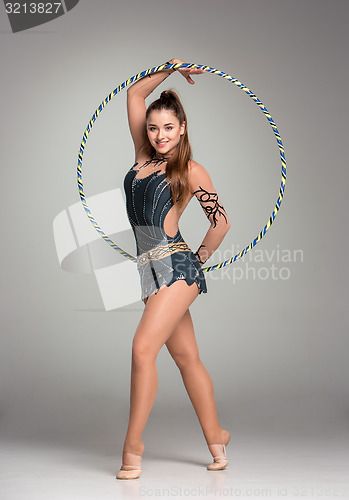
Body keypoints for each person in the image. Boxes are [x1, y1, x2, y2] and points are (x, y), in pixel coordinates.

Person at [116, 58, 232, 480]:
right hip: (147, 269)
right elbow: (133, 93)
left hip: (176, 265)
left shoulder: (190, 170)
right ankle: (217, 436)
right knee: (187, 359)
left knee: (142, 349)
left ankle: (132, 447)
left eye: (168, 127)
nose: (160, 135)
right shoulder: (143, 156)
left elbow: (221, 223)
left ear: (182, 128)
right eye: (153, 128)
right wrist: (171, 65)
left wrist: (195, 261)